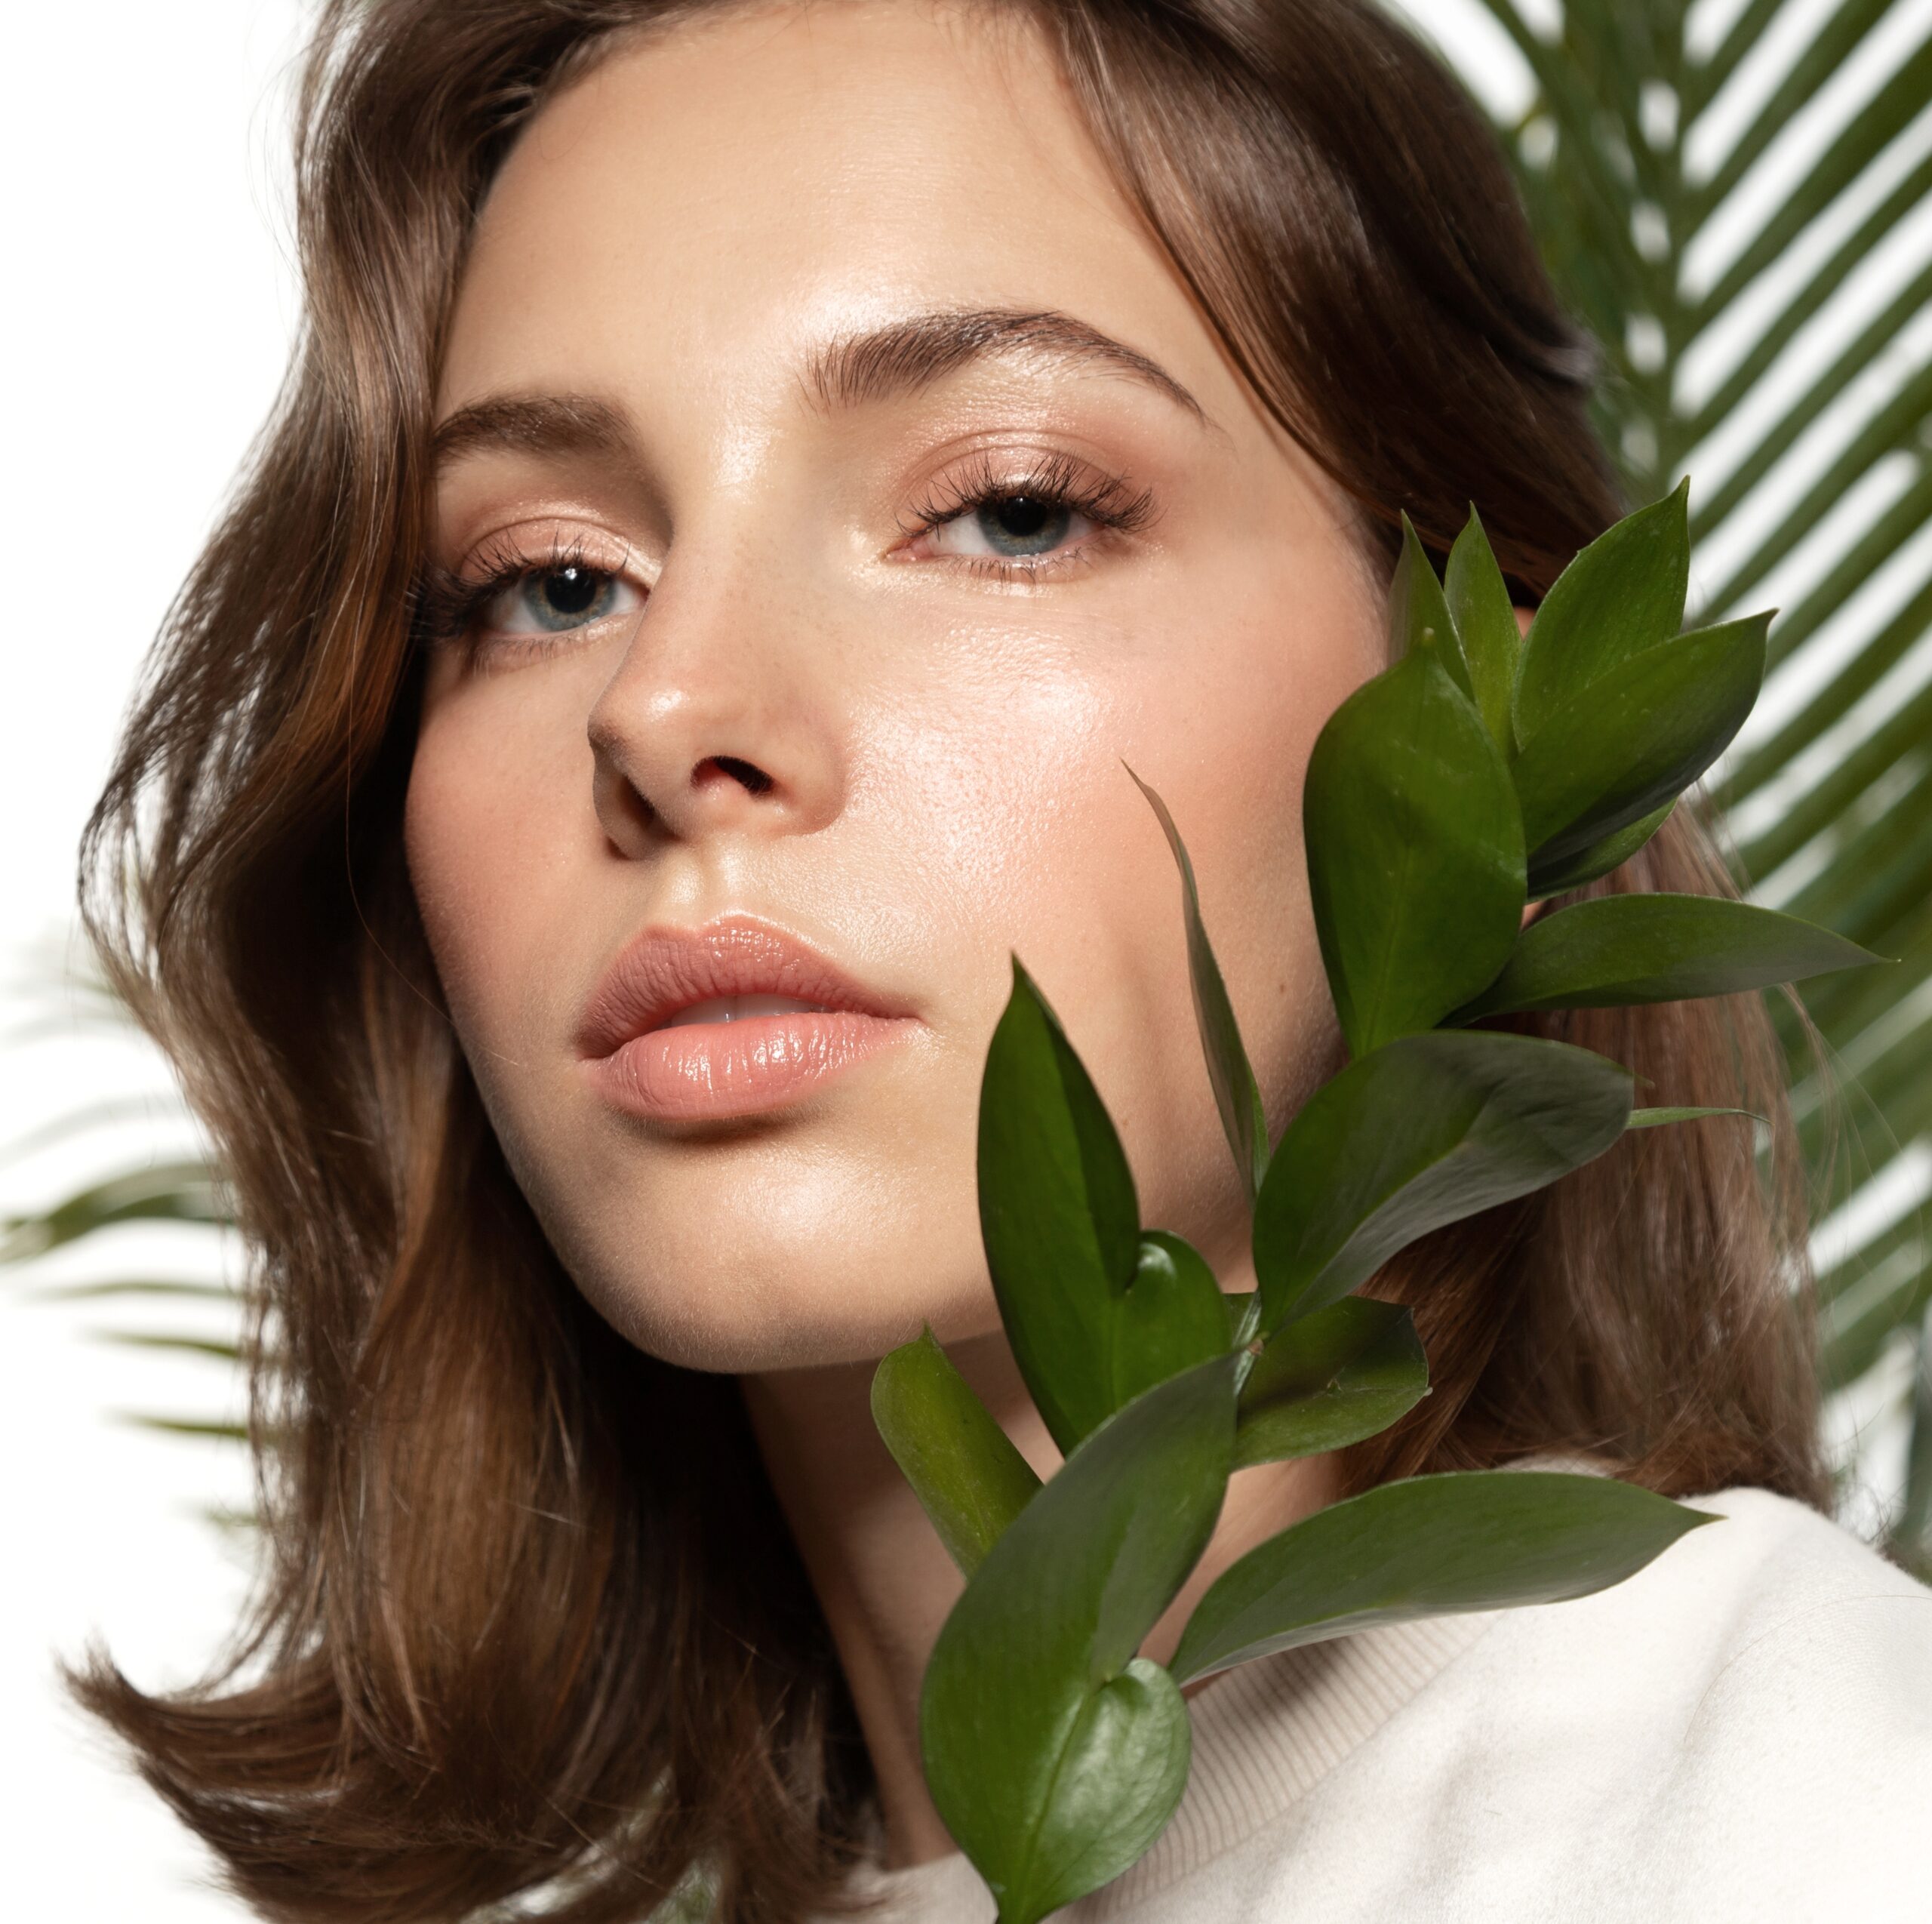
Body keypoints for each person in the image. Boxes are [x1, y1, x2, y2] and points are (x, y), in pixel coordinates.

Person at [74, 1, 1930, 1919]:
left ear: (1485, 737)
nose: (666, 704)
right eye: (551, 582)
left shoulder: (1822, 1809)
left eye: (1008, 510)